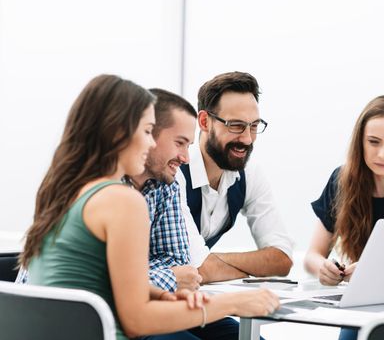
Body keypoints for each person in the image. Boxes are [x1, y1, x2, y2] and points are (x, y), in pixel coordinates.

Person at [20, 74, 280, 340]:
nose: (150, 142)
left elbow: (102, 280)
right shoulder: (122, 200)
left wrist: (161, 293)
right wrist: (234, 303)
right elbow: (137, 321)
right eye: (147, 131)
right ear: (119, 132)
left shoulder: (69, 189)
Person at [128, 88, 257, 339]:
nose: (186, 158)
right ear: (148, 135)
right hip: (110, 314)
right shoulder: (111, 192)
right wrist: (168, 278)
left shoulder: (167, 185)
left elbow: (181, 266)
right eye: (179, 143)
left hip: (158, 304)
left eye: (188, 145)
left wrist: (165, 279)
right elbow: (111, 284)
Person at [304, 95, 384, 340]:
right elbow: (313, 254)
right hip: (364, 305)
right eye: (374, 142)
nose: (383, 154)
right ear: (360, 142)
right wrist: (324, 269)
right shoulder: (342, 180)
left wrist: (376, 273)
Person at [177, 71, 293, 280]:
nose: (248, 139)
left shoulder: (249, 175)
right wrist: (206, 266)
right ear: (204, 122)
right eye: (236, 126)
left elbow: (282, 260)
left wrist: (211, 261)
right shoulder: (175, 173)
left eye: (254, 126)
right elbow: (202, 270)